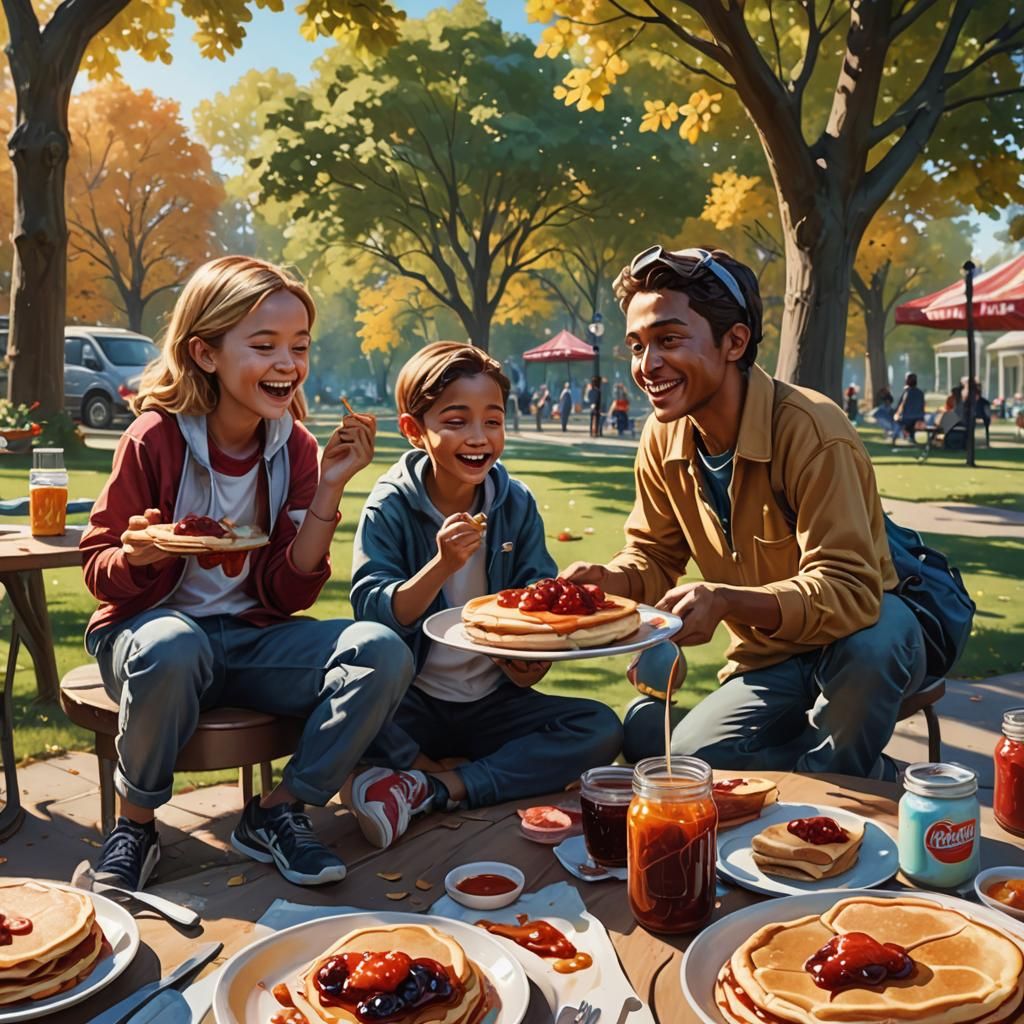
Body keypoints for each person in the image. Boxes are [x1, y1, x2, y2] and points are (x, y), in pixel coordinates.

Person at [80, 255, 414, 890]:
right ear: (205, 353)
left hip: (253, 639)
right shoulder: (154, 437)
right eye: (264, 346)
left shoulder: (298, 448)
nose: (287, 363)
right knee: (173, 642)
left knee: (381, 649)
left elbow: (289, 593)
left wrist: (330, 488)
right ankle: (135, 826)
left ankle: (279, 811)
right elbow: (99, 569)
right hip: (151, 641)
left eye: (299, 346)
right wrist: (139, 556)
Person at [563, 245, 925, 781]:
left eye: (668, 340)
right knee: (695, 764)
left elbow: (850, 590)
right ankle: (862, 775)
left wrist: (728, 600)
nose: (646, 365)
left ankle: (839, 782)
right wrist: (608, 581)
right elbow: (654, 554)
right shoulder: (661, 436)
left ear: (734, 341)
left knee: (875, 641)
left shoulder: (812, 429)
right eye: (637, 346)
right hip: (768, 655)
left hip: (865, 637)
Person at [348, 342, 622, 849]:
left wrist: (531, 662)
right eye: (456, 421)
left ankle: (434, 785)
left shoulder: (515, 503)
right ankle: (445, 772)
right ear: (413, 429)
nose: (479, 437)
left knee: (600, 727)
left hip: (493, 702)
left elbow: (537, 606)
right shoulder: (389, 505)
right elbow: (374, 612)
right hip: (411, 703)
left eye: (492, 421)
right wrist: (441, 566)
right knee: (340, 706)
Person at [893, 372, 926, 443]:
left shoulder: (906, 392)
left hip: (907, 418)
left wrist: (896, 414)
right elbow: (922, 406)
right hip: (919, 418)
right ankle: (910, 437)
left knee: (896, 420)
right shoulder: (920, 393)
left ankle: (898, 436)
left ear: (907, 381)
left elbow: (900, 406)